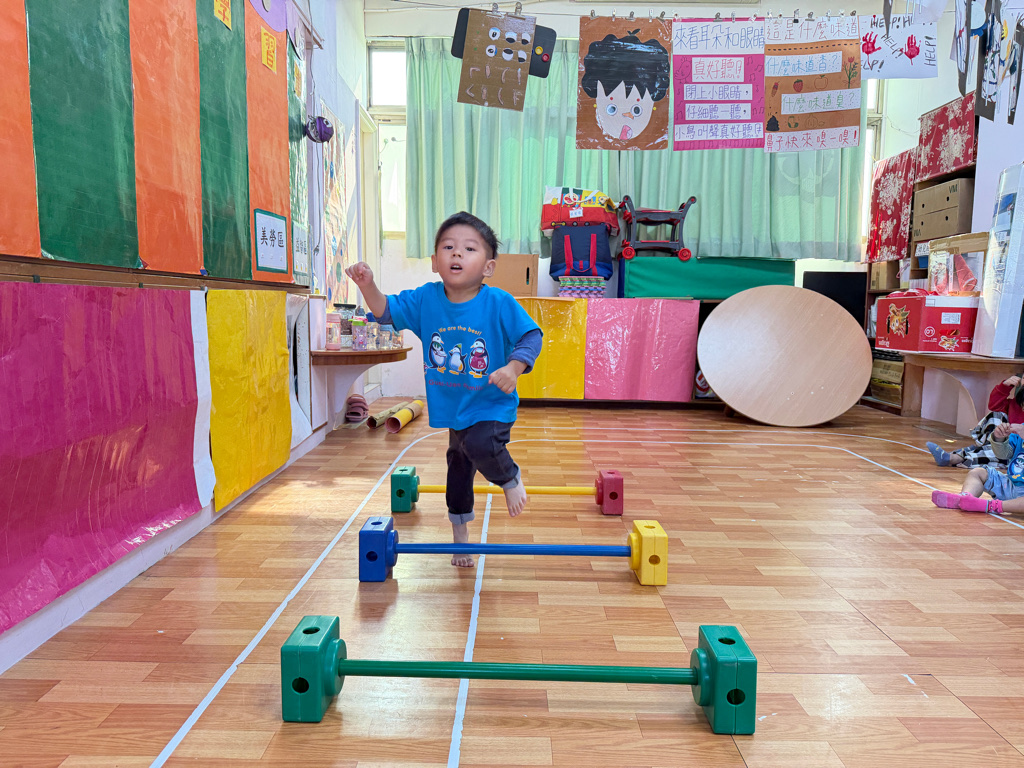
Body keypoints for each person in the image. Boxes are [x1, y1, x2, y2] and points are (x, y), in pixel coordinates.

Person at [345, 212, 542, 568]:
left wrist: (514, 368)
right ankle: (460, 538)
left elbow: (531, 336)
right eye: (448, 247)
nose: (457, 254)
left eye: (469, 248)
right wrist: (367, 285)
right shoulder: (426, 299)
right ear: (435, 262)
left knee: (481, 444)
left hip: (491, 404)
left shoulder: (499, 303)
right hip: (454, 409)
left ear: (488, 267)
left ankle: (510, 477)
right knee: (458, 470)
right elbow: (385, 311)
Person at [926, 375, 1024, 467]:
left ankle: (953, 459)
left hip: (1015, 454)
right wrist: (1005, 386)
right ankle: (978, 450)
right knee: (996, 415)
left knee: (999, 454)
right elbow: (994, 406)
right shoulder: (1017, 402)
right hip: (1003, 444)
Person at [932, 422, 1024, 515]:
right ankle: (964, 498)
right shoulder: (1020, 429)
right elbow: (1004, 455)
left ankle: (991, 506)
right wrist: (999, 439)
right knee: (978, 473)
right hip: (1010, 485)